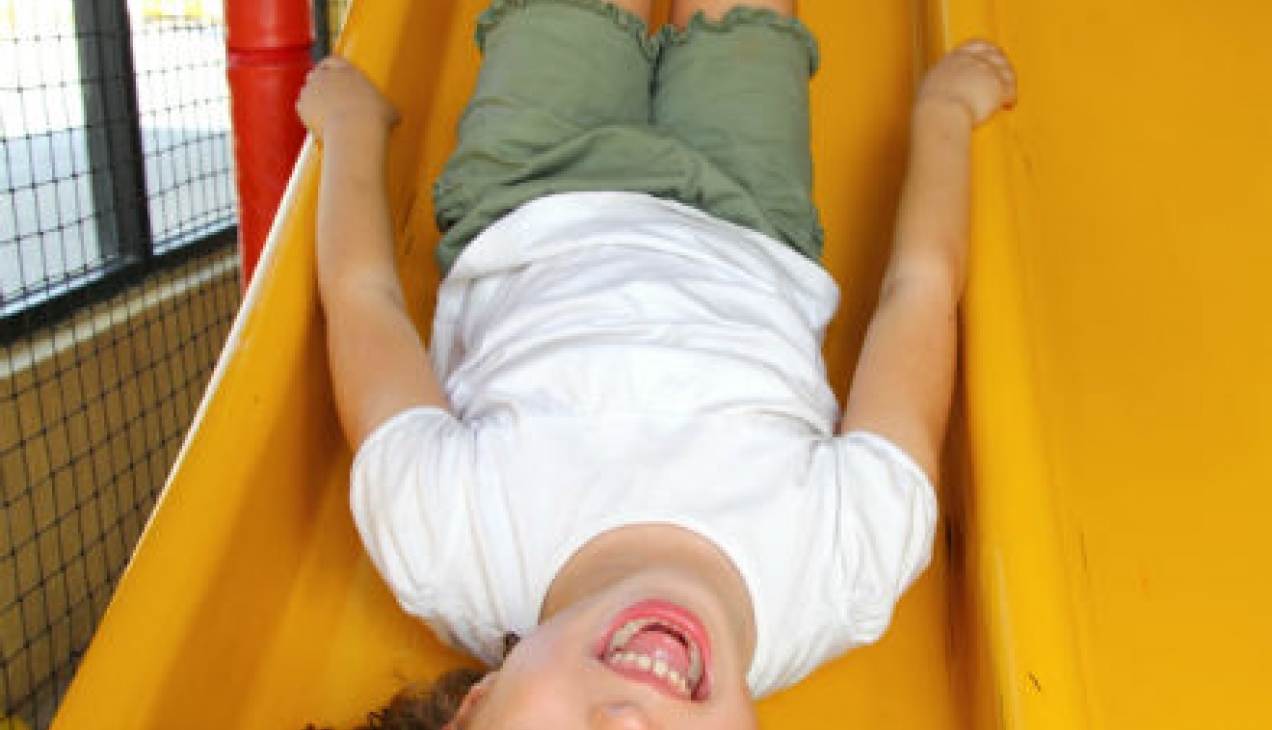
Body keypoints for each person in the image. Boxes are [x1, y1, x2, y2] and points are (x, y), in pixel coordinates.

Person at [296, 0, 1016, 727]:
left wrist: (352, 128)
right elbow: (917, 292)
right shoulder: (839, 570)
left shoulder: (448, 542)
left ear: (474, 706)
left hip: (530, 186)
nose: (632, 724)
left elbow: (365, 301)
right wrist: (944, 116)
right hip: (750, 214)